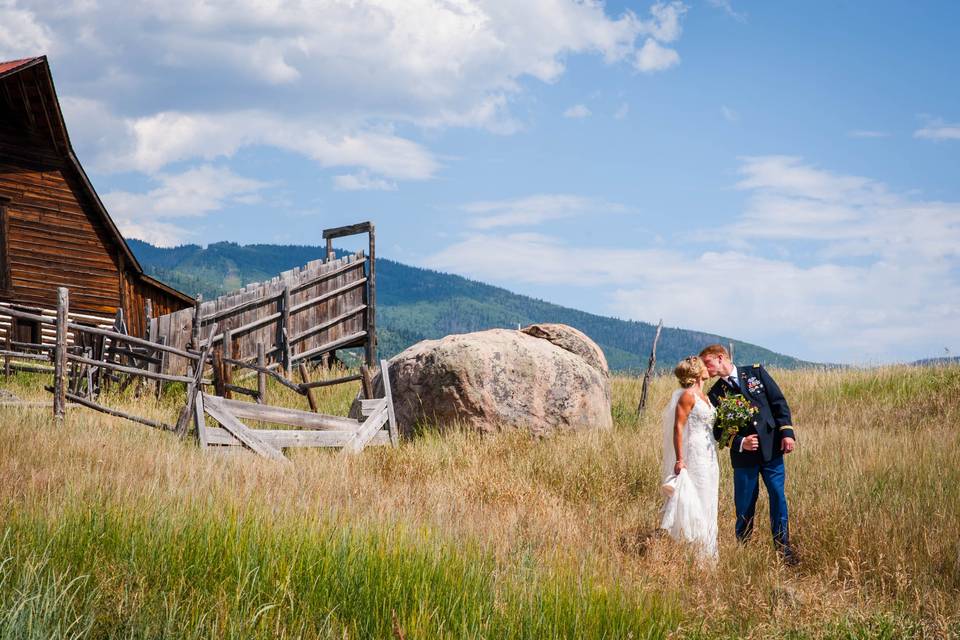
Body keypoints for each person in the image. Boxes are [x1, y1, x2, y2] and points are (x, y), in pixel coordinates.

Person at [699, 344, 797, 564]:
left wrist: (787, 433)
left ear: (721, 358)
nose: (705, 368)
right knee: (744, 504)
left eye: (708, 362)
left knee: (778, 497)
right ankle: (742, 550)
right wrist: (740, 442)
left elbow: (778, 402)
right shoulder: (715, 395)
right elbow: (716, 430)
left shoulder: (755, 373)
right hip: (744, 459)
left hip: (771, 449)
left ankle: (783, 549)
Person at [660, 356, 719, 561]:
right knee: (699, 500)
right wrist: (679, 459)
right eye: (704, 366)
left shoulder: (705, 397)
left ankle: (709, 551)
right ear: (696, 372)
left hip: (710, 453)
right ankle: (696, 554)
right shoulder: (687, 396)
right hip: (695, 452)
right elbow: (678, 427)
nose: (707, 369)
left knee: (710, 499)